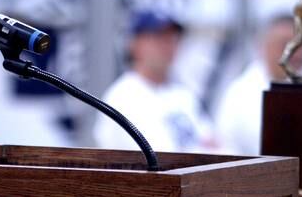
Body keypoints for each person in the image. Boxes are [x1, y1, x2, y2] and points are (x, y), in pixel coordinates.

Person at [93, 9, 219, 152]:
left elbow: (216, 146)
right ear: (134, 44)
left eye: (172, 38)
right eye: (159, 37)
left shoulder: (182, 93)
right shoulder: (123, 96)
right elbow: (159, 159)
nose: (168, 45)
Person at [215, 13, 302, 155]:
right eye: (285, 44)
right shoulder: (240, 94)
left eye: (300, 44)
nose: (296, 53)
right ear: (263, 47)